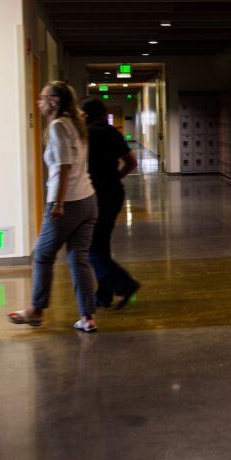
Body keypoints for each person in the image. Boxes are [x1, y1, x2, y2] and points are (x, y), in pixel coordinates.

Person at [8, 81, 100, 333]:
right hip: (88, 200)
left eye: (42, 97)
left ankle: (36, 311)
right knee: (78, 258)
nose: (38, 102)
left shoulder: (59, 126)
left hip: (67, 202)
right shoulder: (76, 125)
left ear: (54, 102)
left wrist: (58, 204)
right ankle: (87, 317)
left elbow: (64, 166)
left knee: (42, 255)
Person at [81, 98, 142, 309]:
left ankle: (125, 284)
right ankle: (104, 295)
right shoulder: (113, 133)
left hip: (93, 195)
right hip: (114, 193)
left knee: (90, 247)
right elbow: (131, 162)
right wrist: (116, 177)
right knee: (101, 242)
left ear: (86, 115)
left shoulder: (85, 135)